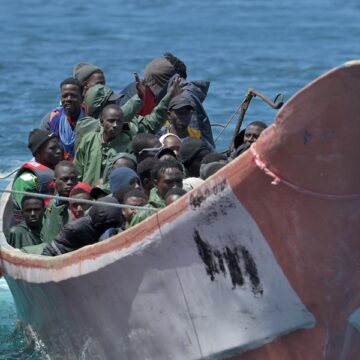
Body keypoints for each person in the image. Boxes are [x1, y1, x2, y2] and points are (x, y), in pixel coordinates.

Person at [75, 77, 181, 186]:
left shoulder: (128, 128)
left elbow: (153, 121)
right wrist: (138, 99)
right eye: (110, 102)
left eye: (115, 102)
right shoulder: (84, 126)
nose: (116, 104)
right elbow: (78, 172)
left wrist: (169, 97)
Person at [42, 196, 122, 256]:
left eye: (113, 225)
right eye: (105, 226)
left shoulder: (115, 231)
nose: (108, 228)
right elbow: (50, 252)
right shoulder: (75, 229)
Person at [12, 129, 63, 213]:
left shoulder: (62, 171)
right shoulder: (26, 179)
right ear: (38, 152)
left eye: (59, 146)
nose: (59, 151)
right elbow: (31, 213)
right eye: (52, 148)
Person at [40, 78, 86, 160]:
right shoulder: (50, 120)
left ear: (82, 98)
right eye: (65, 96)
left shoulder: (91, 120)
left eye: (73, 95)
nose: (68, 99)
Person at [130, 159, 183, 226]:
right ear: (155, 183)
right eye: (169, 182)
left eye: (178, 181)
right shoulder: (144, 215)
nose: (175, 186)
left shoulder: (193, 201)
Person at [40, 161, 78, 244]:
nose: (69, 183)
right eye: (65, 179)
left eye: (73, 179)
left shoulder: (79, 208)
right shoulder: (51, 205)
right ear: (55, 182)